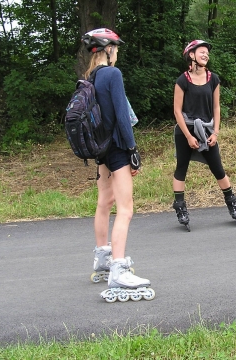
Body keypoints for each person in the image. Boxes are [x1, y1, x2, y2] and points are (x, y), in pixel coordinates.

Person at [81, 28, 151, 290]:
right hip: (117, 148)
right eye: (116, 48)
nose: (117, 53)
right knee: (125, 208)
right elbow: (122, 116)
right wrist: (132, 150)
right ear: (108, 49)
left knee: (104, 201)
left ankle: (102, 258)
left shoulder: (90, 77)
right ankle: (119, 268)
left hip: (101, 149)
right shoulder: (112, 74)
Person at [172, 40, 236, 231]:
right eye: (202, 52)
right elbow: (177, 111)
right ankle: (180, 206)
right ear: (191, 55)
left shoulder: (213, 79)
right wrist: (188, 136)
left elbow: (216, 107)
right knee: (181, 168)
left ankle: (231, 201)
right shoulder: (182, 80)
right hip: (185, 129)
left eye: (207, 53)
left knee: (218, 168)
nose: (206, 55)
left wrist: (216, 132)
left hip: (207, 130)